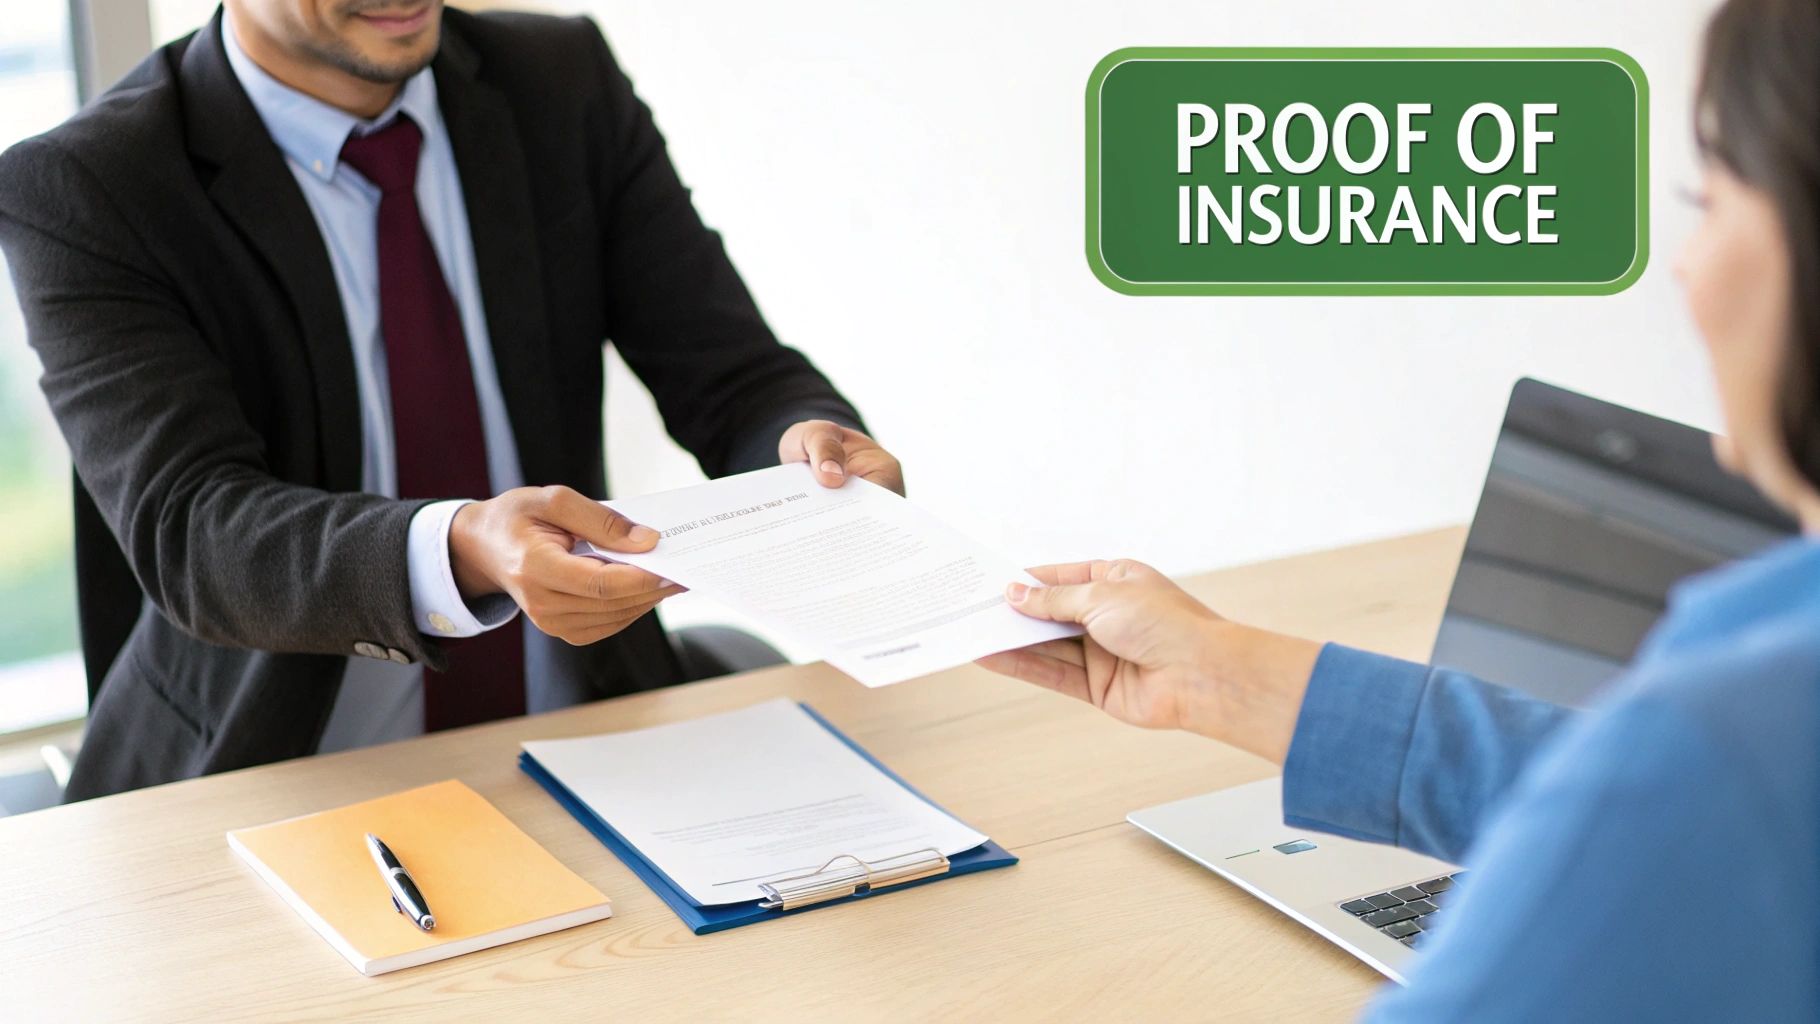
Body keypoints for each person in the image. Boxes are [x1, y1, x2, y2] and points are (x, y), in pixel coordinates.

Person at [979, 0, 1817, 1018]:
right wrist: (1212, 671)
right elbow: (1624, 797)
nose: (1682, 263)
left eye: (1711, 197)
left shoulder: (1727, 739)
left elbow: (1668, 803)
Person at [0, 0, 903, 800]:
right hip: (275, 775)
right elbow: (195, 532)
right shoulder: (89, 185)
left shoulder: (561, 81)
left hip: (588, 742)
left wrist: (805, 447)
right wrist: (458, 550)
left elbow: (733, 375)